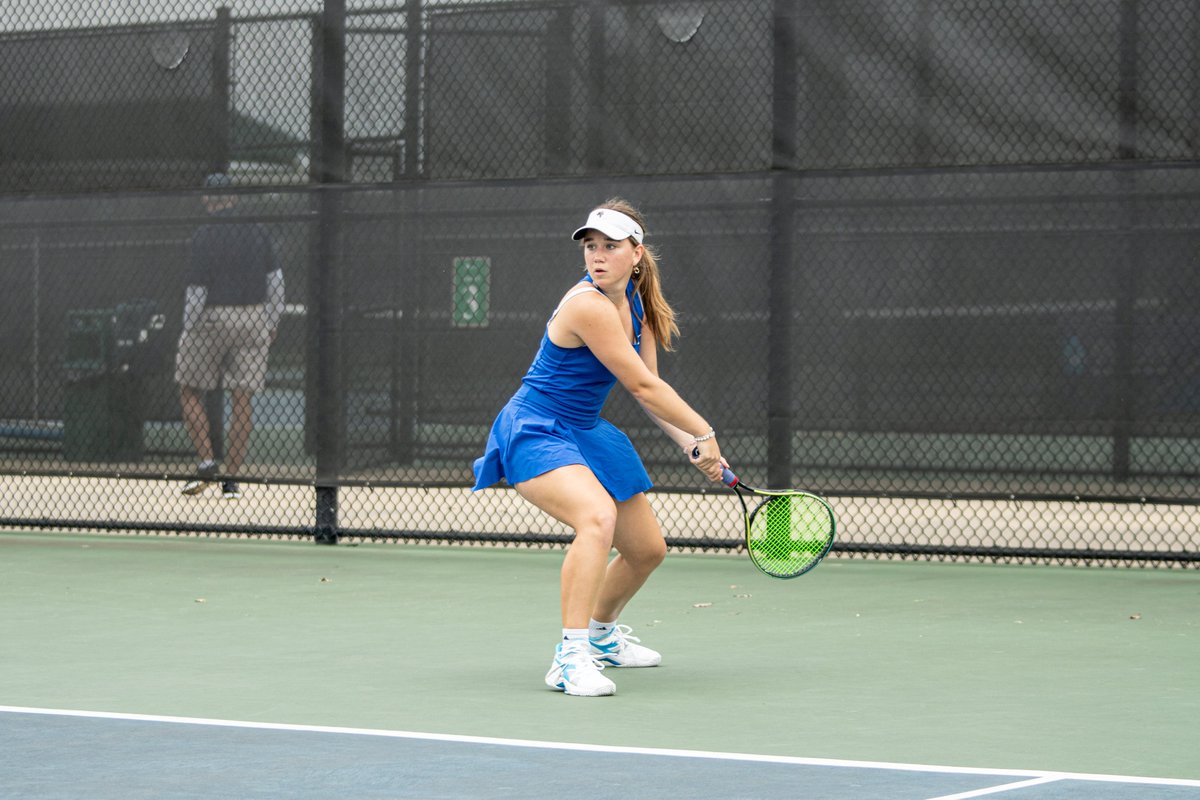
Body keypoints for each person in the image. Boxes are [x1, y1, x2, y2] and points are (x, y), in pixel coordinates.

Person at [472, 198, 724, 697]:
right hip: (537, 426)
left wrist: (691, 444)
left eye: (610, 246)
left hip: (585, 429)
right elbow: (644, 390)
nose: (598, 255)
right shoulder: (585, 304)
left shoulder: (638, 306)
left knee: (646, 550)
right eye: (591, 246)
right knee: (596, 518)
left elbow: (649, 390)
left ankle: (603, 636)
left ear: (636, 253)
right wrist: (707, 432)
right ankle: (570, 657)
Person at [174, 172, 284, 499]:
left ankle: (207, 461)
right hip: (252, 315)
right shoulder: (258, 232)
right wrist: (272, 320)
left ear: (207, 201)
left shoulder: (203, 235)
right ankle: (232, 478)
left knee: (189, 389)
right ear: (234, 198)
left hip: (212, 316)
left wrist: (189, 328)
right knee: (242, 397)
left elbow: (196, 290)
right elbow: (277, 281)